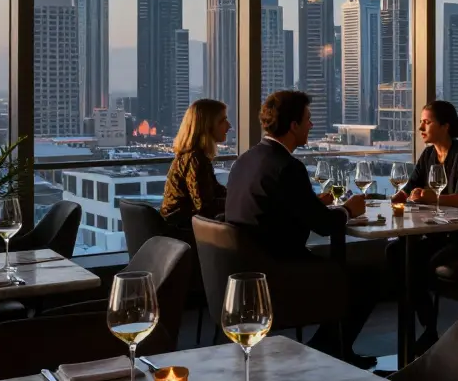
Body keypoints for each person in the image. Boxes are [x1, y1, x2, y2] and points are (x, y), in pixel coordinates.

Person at [224, 90, 373, 357]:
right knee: (365, 281)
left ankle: (330, 349)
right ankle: (329, 350)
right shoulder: (287, 167)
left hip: (248, 264)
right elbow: (325, 226)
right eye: (308, 119)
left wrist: (314, 204)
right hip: (279, 271)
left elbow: (279, 207)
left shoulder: (246, 159)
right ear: (293, 126)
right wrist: (348, 210)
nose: (311, 125)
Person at [388, 100, 458, 351]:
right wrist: (396, 197)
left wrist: (428, 197)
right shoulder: (428, 155)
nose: (421, 127)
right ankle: (427, 327)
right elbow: (411, 188)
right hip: (442, 230)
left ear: (445, 126)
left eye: (427, 122)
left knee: (419, 261)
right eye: (422, 122)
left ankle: (429, 330)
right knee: (394, 252)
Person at [160, 99, 231, 232]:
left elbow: (215, 193)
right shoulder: (195, 159)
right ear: (207, 126)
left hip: (179, 228)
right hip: (183, 232)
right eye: (222, 121)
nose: (229, 126)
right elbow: (204, 207)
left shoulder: (193, 156)